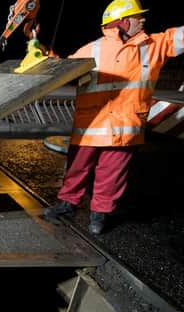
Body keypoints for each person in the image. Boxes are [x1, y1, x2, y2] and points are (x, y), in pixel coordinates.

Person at [43, 0, 184, 235]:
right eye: (139, 17)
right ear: (123, 22)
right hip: (91, 125)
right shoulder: (93, 49)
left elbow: (180, 36)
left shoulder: (155, 45)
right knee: (77, 168)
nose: (144, 20)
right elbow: (64, 71)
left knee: (112, 174)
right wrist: (44, 55)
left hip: (125, 127)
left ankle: (99, 215)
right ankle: (67, 204)